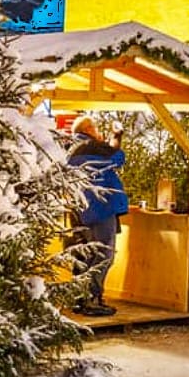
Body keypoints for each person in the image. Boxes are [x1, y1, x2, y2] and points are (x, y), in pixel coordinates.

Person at [67, 115, 129, 317]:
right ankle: (92, 299)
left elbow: (108, 154)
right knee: (104, 255)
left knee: (87, 254)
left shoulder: (73, 148)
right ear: (89, 129)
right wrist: (117, 136)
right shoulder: (91, 147)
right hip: (100, 208)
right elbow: (117, 158)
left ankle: (79, 298)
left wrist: (113, 138)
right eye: (96, 128)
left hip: (81, 211)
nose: (98, 132)